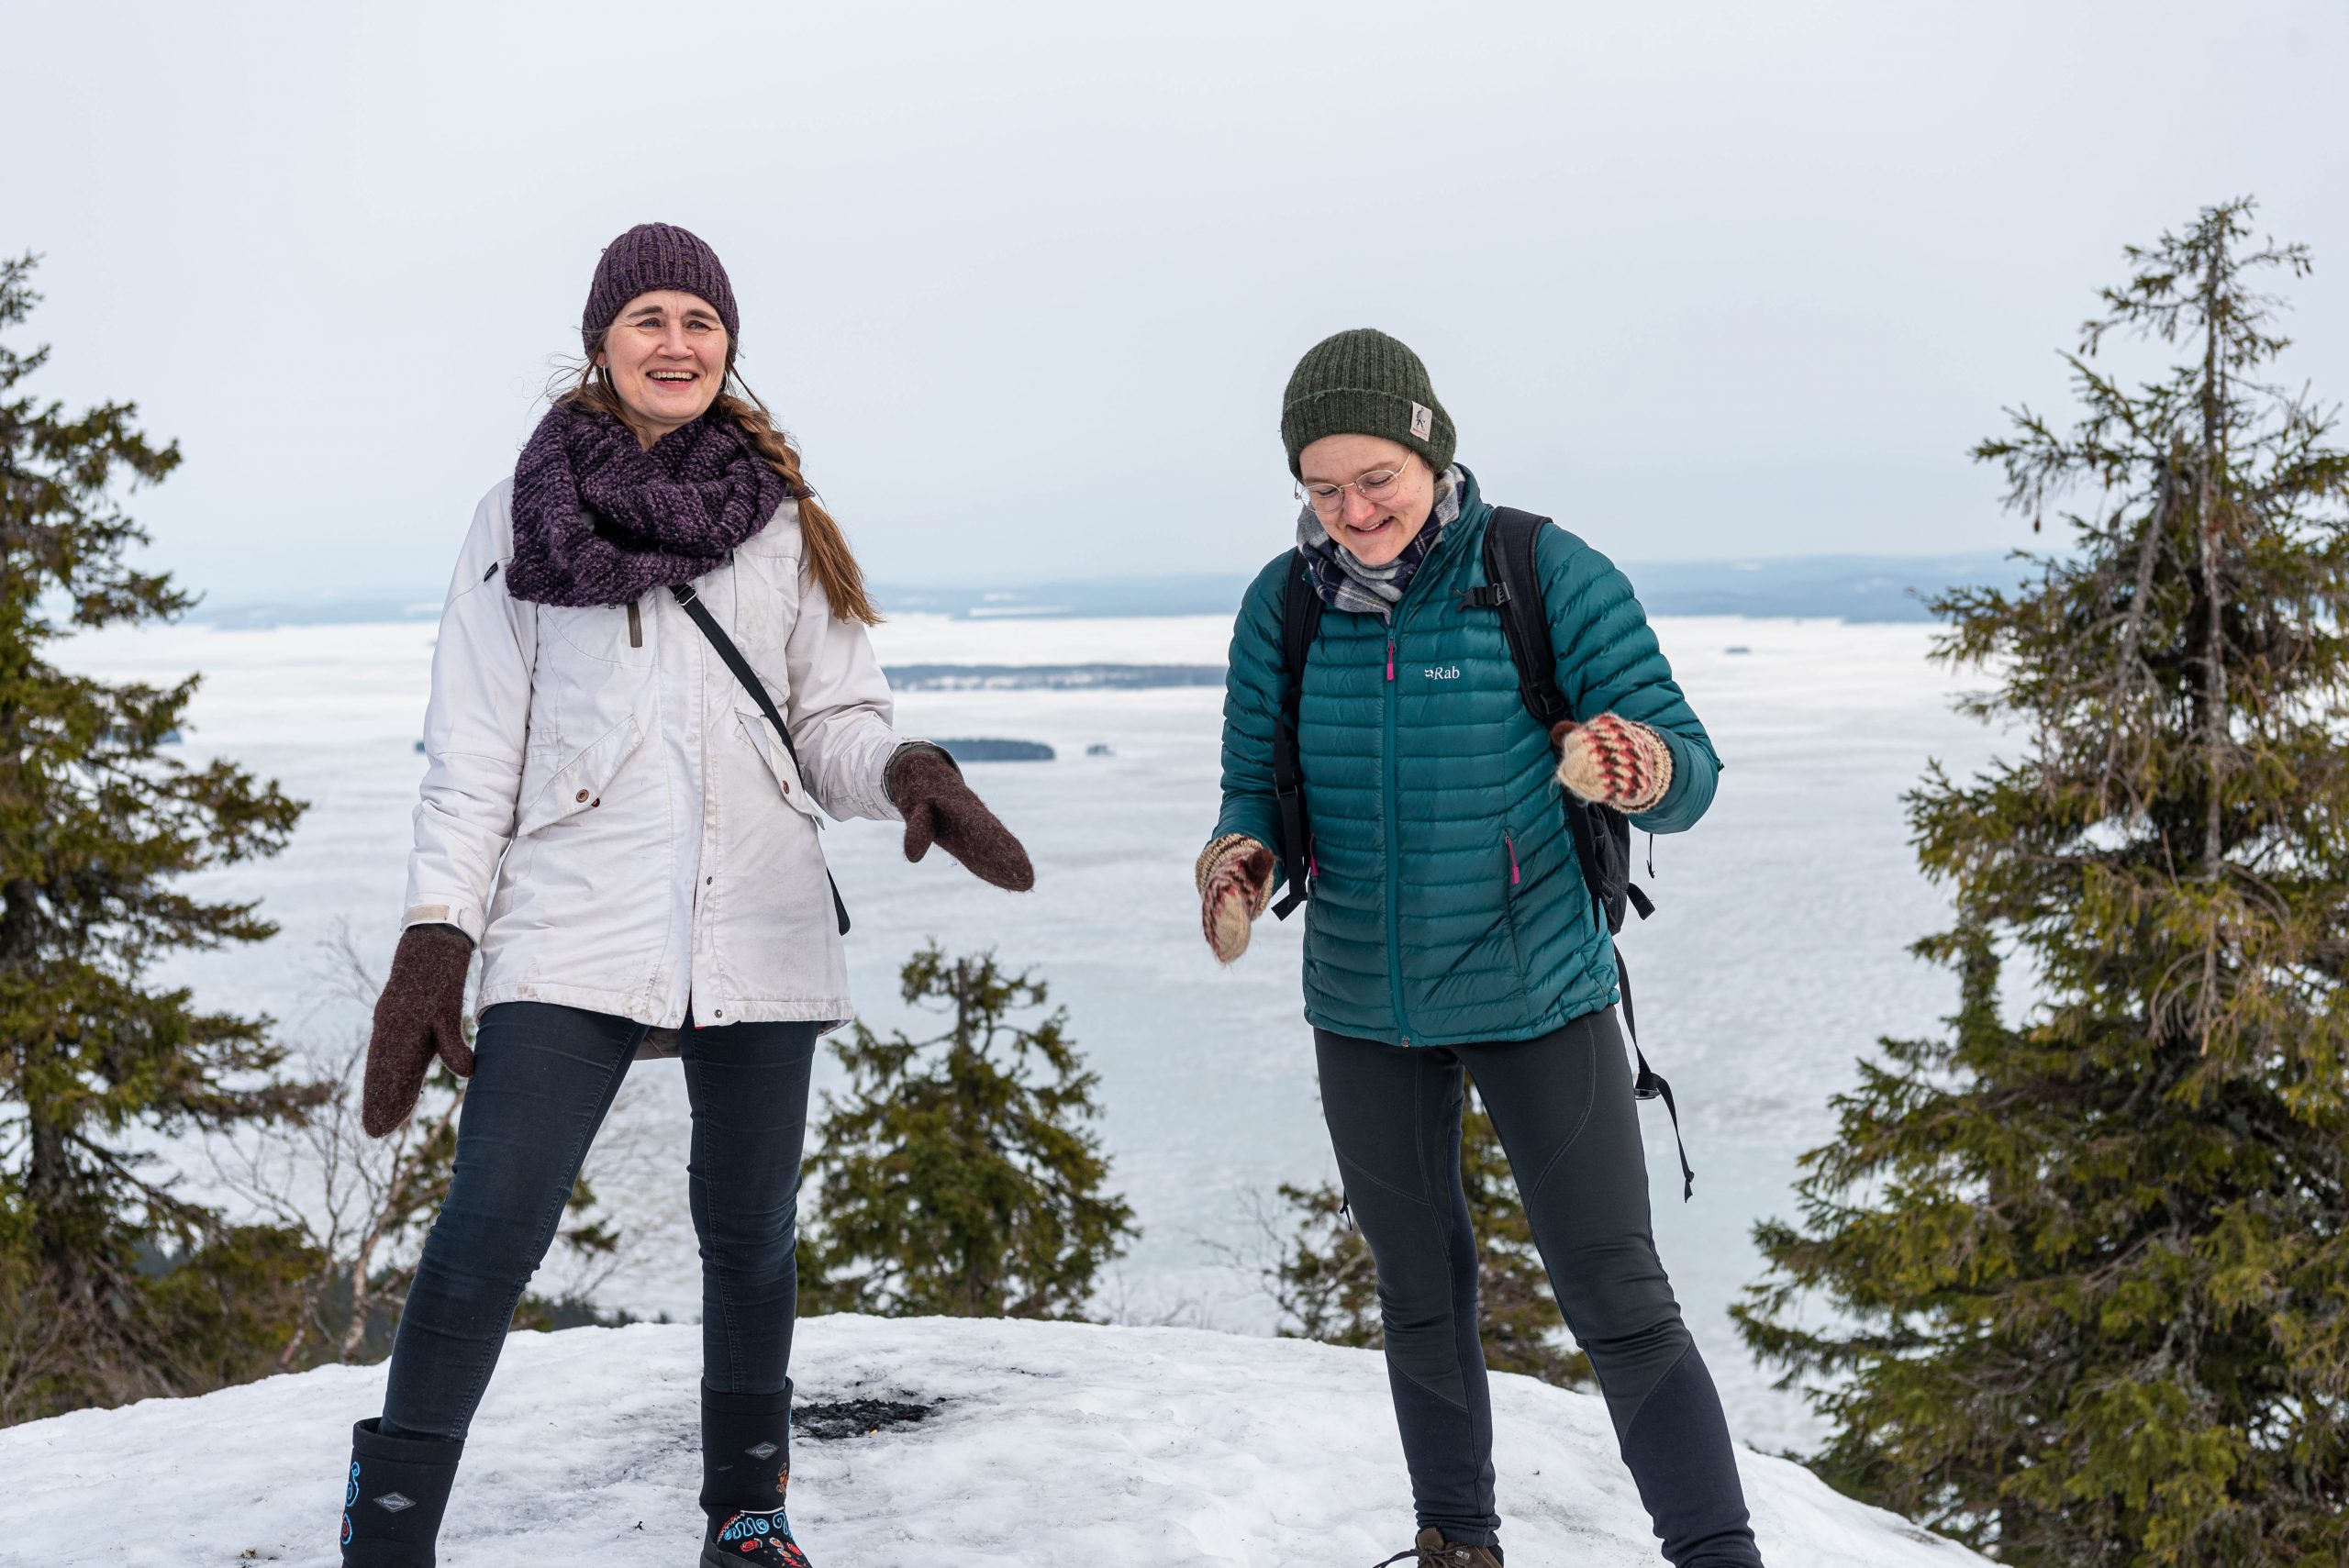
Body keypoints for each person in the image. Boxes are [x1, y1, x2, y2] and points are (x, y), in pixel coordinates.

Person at [338, 223, 1032, 1568]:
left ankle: (748, 1512)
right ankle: (392, 1521)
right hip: (571, 911)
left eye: (699, 321)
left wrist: (905, 771)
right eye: (649, 317)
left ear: (729, 346)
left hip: (761, 910)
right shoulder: (520, 516)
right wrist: (437, 935)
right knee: (492, 1220)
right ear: (603, 338)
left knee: (750, 1232)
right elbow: (475, 751)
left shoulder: (782, 516)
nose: (676, 342)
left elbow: (830, 717)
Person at [1197, 328, 1765, 1567]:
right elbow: (1258, 789)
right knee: (1417, 1291)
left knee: (1617, 1294)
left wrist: (1638, 763)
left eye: (1375, 480)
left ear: (1428, 450)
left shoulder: (1540, 571)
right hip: (1360, 999)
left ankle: (1719, 1554)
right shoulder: (1282, 606)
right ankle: (1459, 1542)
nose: (1352, 511)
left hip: (1538, 989)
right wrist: (1242, 858)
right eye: (1322, 488)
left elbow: (1692, 769)